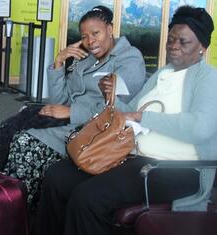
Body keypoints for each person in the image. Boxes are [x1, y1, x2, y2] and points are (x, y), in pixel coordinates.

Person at [35, 5, 217, 235]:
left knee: (88, 198)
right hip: (134, 156)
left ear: (202, 46)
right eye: (170, 39)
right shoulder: (163, 74)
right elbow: (128, 111)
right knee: (57, 177)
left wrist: (144, 117)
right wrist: (110, 95)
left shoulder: (209, 78)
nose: (173, 46)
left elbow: (200, 128)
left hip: (176, 169)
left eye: (183, 42)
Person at [0, 5, 145, 209]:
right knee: (10, 127)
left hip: (94, 132)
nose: (90, 41)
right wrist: (58, 63)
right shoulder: (86, 61)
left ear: (110, 29)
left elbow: (117, 109)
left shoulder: (130, 59)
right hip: (68, 121)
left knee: (25, 139)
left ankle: (15, 210)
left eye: (95, 33)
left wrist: (71, 112)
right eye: (84, 36)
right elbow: (60, 100)